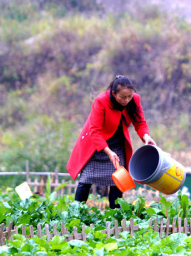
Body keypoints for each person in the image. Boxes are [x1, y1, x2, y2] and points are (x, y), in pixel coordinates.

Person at [66, 75, 156, 209]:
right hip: (97, 144)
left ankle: (116, 217)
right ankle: (76, 212)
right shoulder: (101, 101)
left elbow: (140, 122)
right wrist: (108, 152)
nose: (127, 100)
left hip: (118, 144)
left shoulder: (135, 99)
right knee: (85, 180)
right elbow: (95, 131)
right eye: (123, 97)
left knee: (117, 181)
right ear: (113, 94)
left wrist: (146, 137)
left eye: (129, 96)